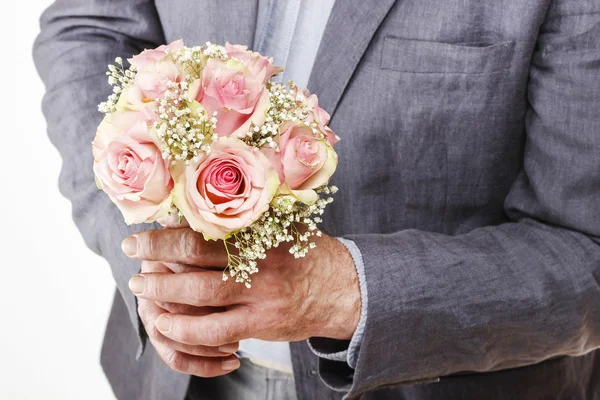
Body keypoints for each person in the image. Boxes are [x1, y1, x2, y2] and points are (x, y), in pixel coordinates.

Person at [34, 1, 600, 399]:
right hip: (173, 382)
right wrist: (154, 259)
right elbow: (88, 26)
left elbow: (587, 252)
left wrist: (337, 293)